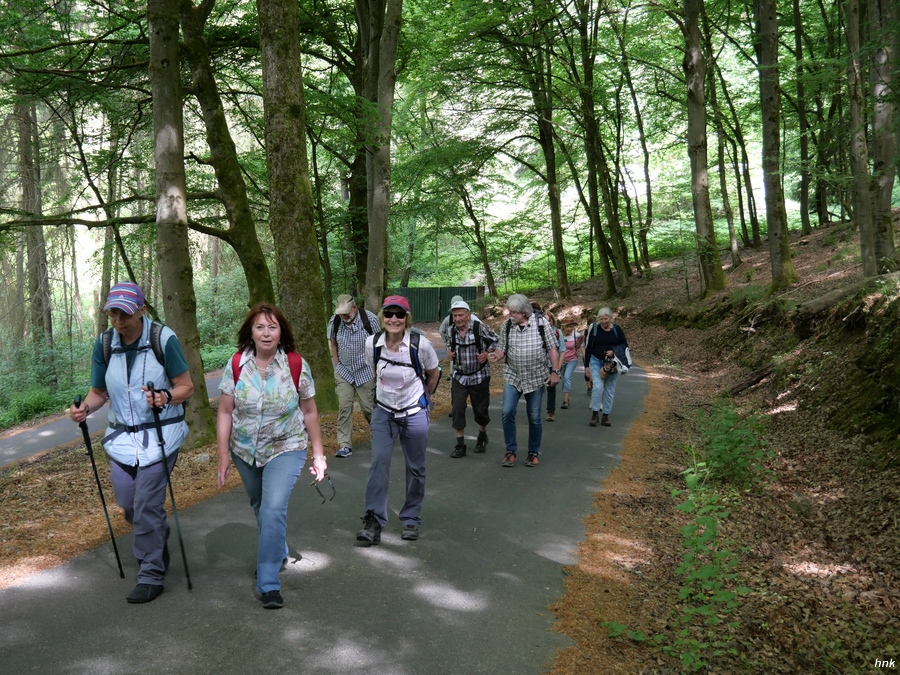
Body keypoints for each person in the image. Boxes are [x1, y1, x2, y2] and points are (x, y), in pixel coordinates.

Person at [67, 282, 194, 604]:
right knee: (128, 504)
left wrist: (164, 396)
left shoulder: (162, 339)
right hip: (121, 440)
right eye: (112, 313)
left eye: (124, 313)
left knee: (147, 505)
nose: (118, 320)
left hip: (160, 436)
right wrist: (85, 409)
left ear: (140, 310)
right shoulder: (105, 343)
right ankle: (156, 534)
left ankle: (151, 574)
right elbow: (99, 392)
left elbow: (186, 387)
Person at [217, 303, 327, 610]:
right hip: (244, 450)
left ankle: (268, 581)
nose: (266, 333)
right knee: (260, 505)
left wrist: (319, 455)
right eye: (260, 327)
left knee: (273, 507)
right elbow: (226, 411)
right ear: (250, 332)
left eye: (272, 327)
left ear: (281, 332)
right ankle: (277, 549)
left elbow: (309, 410)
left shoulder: (294, 364)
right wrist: (223, 455)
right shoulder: (237, 363)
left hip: (286, 447)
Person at [357, 296, 440, 544]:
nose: (394, 319)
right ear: (382, 317)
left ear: (407, 318)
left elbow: (433, 373)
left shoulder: (420, 345)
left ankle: (411, 520)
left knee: (415, 467)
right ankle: (373, 521)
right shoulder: (371, 343)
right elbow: (373, 371)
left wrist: (424, 399)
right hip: (383, 411)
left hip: (414, 412)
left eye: (400, 314)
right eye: (389, 314)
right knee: (378, 463)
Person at [487, 294, 561, 468]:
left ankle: (533, 453)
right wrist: (495, 356)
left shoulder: (542, 324)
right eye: (510, 311)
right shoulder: (507, 326)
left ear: (524, 312)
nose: (510, 315)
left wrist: (555, 372)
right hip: (513, 375)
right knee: (507, 411)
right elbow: (501, 349)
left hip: (535, 376)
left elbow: (552, 349)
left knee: (534, 417)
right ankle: (510, 451)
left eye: (514, 312)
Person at [327, 294, 379, 458]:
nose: (344, 317)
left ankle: (380, 436)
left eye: (347, 314)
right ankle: (344, 445)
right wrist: (337, 365)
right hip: (344, 372)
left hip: (366, 370)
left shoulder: (370, 319)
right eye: (341, 314)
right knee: (344, 407)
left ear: (354, 308)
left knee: (368, 407)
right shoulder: (335, 321)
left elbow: (379, 344)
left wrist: (377, 369)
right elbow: (333, 344)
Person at [445, 298, 499, 458]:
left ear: (468, 315)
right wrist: (449, 352)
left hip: (479, 376)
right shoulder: (451, 331)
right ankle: (460, 445)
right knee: (457, 409)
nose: (458, 319)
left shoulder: (478, 327)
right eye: (455, 316)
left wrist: (487, 353)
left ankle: (482, 435)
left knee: (480, 410)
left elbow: (496, 339)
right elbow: (449, 345)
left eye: (461, 315)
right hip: (459, 376)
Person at [584, 307, 630, 427]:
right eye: (601, 319)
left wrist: (613, 352)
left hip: (611, 363)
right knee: (598, 387)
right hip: (595, 360)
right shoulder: (593, 328)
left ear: (610, 318)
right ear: (598, 319)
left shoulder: (616, 329)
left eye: (606, 318)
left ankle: (605, 415)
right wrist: (586, 366)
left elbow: (624, 345)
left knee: (610, 389)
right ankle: (595, 414)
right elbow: (588, 347)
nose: (604, 321)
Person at [559, 318, 584, 410]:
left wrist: (577, 345)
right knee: (563, 380)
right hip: (562, 360)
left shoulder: (575, 334)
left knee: (567, 377)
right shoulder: (560, 335)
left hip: (572, 359)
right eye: (567, 327)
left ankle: (565, 401)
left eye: (571, 327)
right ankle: (567, 396)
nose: (569, 329)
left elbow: (582, 337)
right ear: (563, 327)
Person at [543, 312, 563, 422]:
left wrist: (557, 368)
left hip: (552, 365)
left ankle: (550, 412)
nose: (547, 323)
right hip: (540, 365)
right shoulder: (538, 331)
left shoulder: (557, 332)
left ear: (553, 321)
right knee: (538, 389)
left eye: (549, 320)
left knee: (551, 388)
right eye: (545, 320)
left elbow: (562, 350)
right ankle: (534, 412)